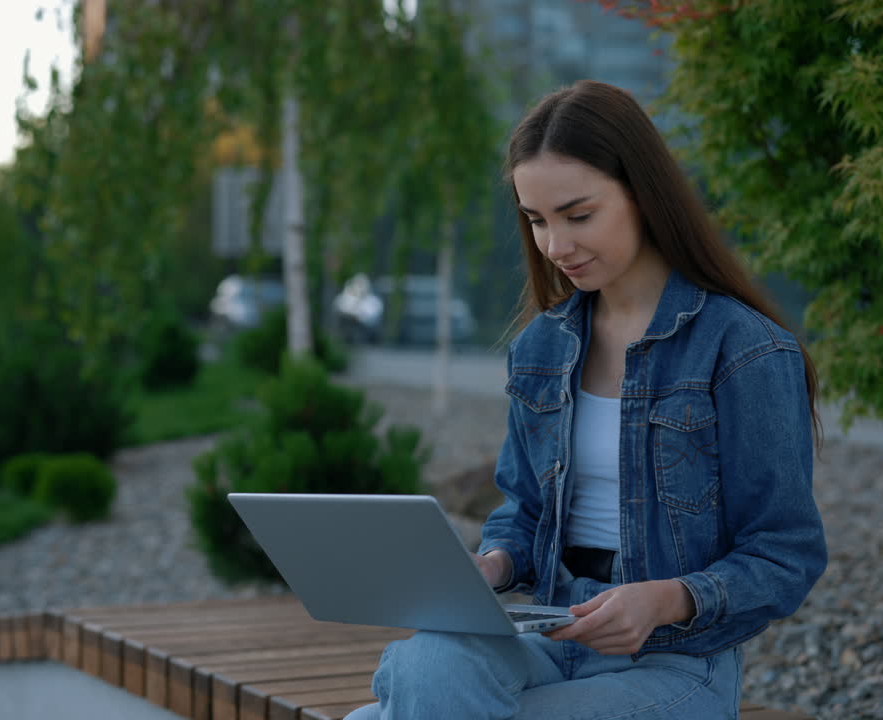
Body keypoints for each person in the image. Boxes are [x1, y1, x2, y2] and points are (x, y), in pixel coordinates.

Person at [345, 80, 828, 719]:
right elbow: (524, 509)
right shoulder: (542, 346)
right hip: (548, 633)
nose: (555, 247)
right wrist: (490, 565)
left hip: (675, 662)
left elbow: (785, 553)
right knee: (427, 660)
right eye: (537, 220)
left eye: (578, 215)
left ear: (643, 194)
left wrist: (664, 599)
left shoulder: (742, 350)